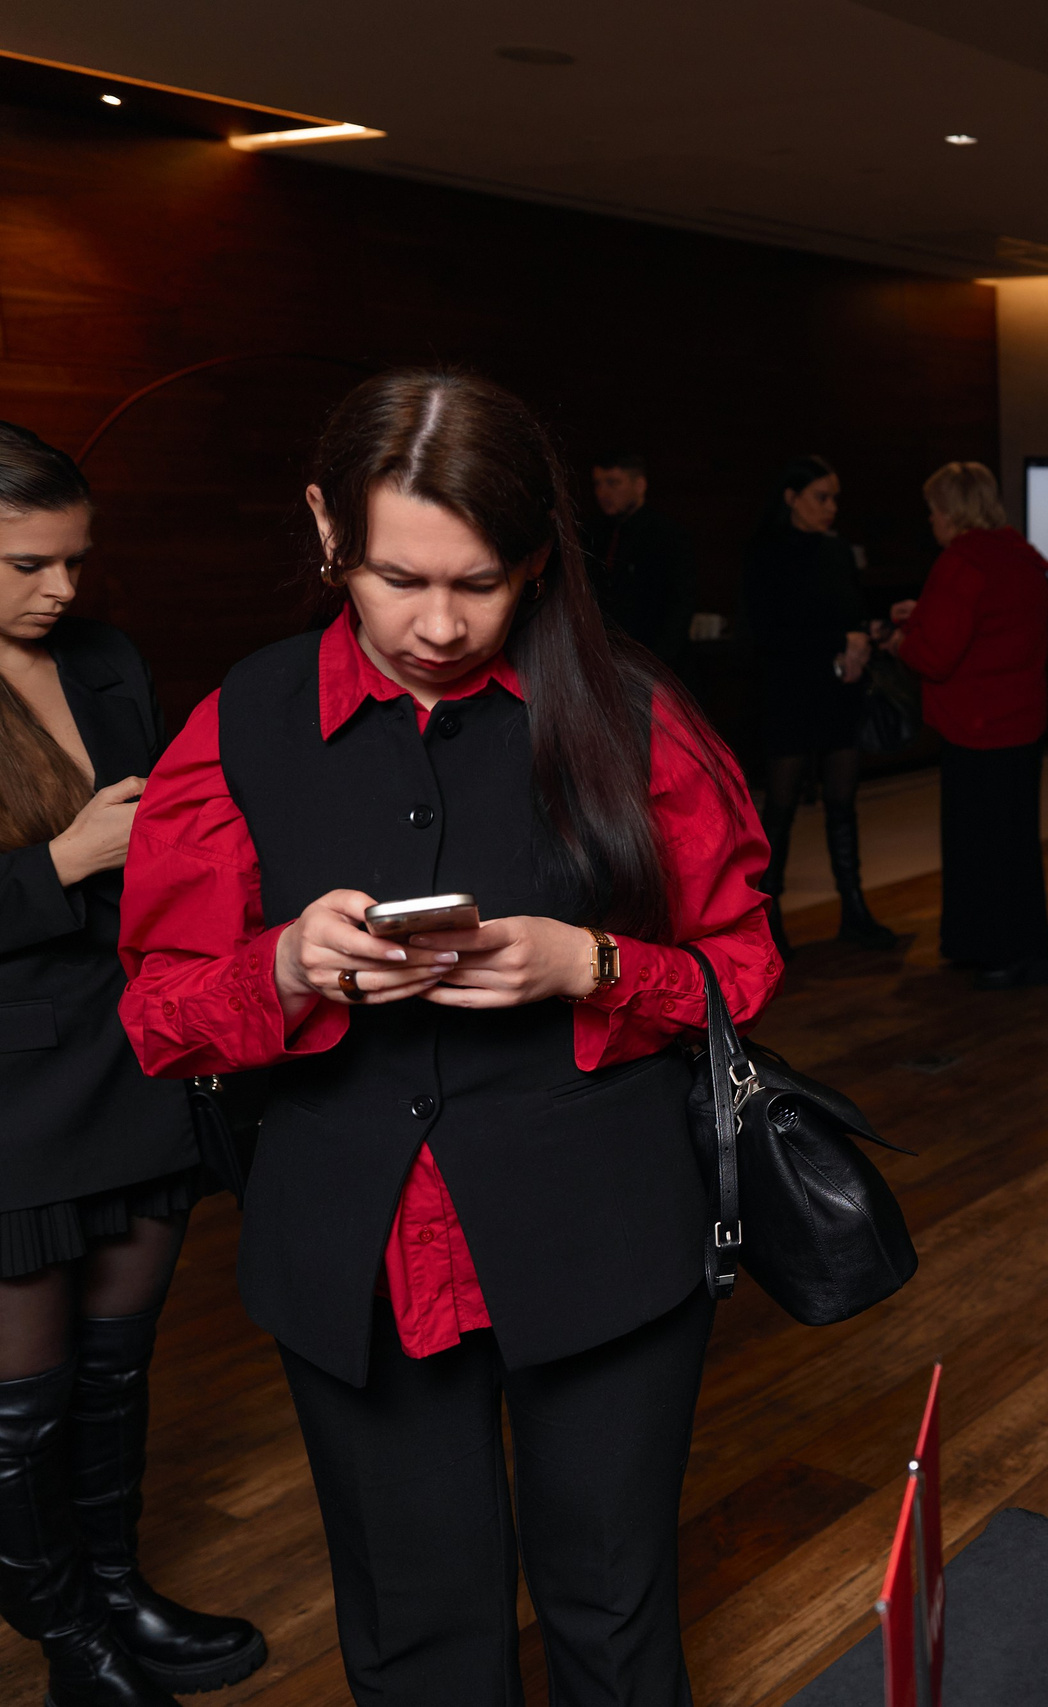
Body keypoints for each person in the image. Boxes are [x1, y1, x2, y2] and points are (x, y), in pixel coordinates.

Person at [118, 370, 781, 1707]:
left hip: (604, 1237)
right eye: (393, 576)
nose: (434, 623)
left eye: (478, 582)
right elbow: (159, 1009)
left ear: (537, 558)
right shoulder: (238, 723)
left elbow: (746, 967)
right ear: (325, 530)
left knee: (611, 1610)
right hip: (350, 1254)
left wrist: (587, 961)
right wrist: (286, 963)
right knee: (415, 1632)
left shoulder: (632, 711)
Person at [0, 424, 267, 1707]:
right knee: (24, 1406)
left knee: (117, 1371)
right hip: (9, 1089)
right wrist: (58, 866)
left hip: (137, 1050)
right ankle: (68, 1642)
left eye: (72, 560)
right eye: (25, 564)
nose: (61, 590)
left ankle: (116, 1594)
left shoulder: (105, 656)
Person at [889, 462, 1048, 991]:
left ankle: (990, 951)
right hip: (1020, 725)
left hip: (976, 728)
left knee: (977, 851)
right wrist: (923, 614)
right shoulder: (1019, 558)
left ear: (954, 512)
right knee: (1014, 849)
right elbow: (992, 627)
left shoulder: (962, 562)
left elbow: (935, 655)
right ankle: (1019, 952)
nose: (932, 521)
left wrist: (901, 642)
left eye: (935, 510)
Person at [742, 455, 895, 955]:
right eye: (820, 497)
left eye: (834, 499)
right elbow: (766, 632)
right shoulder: (766, 552)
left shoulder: (837, 552)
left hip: (837, 690)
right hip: (789, 689)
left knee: (842, 803)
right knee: (781, 807)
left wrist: (864, 635)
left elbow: (852, 612)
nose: (831, 508)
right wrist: (840, 636)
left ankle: (853, 907)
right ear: (791, 497)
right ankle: (767, 916)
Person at [586, 451, 696, 670]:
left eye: (613, 483)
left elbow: (680, 605)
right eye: (598, 484)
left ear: (639, 485)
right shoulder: (593, 534)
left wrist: (657, 663)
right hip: (605, 659)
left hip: (651, 662)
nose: (603, 492)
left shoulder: (667, 536)